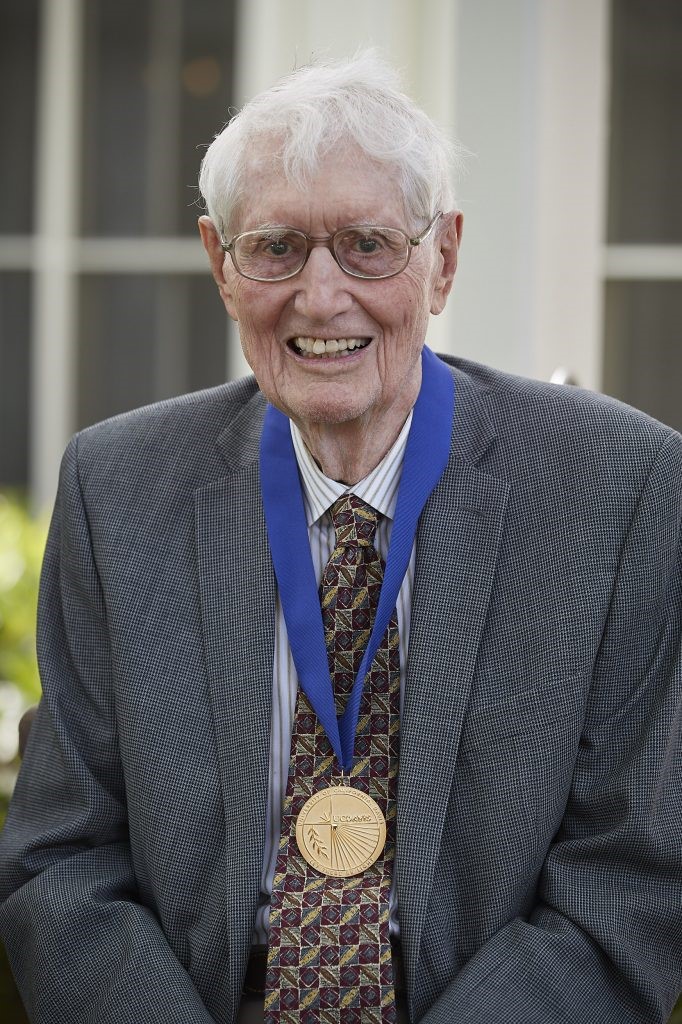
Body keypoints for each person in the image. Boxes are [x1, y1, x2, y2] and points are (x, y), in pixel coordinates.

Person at [1, 51, 681, 1024]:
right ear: (219, 262)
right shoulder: (115, 488)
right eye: (276, 247)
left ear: (442, 258)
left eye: (367, 244)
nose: (320, 297)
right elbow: (59, 860)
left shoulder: (623, 488)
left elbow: (635, 877)